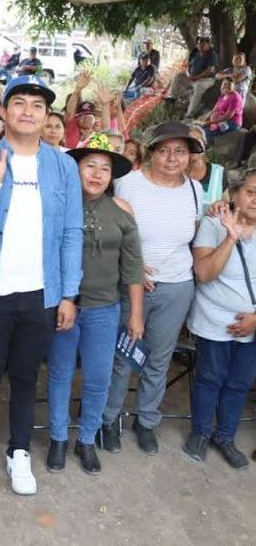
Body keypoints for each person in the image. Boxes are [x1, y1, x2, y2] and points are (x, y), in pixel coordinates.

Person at [0, 75, 83, 496]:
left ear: (47, 114)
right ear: (3, 110)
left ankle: (18, 451)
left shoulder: (63, 165)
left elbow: (71, 232)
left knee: (26, 376)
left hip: (41, 294)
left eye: (37, 104)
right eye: (19, 102)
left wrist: (69, 293)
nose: (28, 110)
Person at [101, 121, 204, 455]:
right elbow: (106, 228)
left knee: (158, 359)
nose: (172, 158)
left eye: (180, 151)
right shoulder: (127, 184)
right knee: (121, 355)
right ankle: (108, 419)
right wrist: (128, 267)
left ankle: (146, 421)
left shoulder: (195, 190)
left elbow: (196, 233)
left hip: (177, 286)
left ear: (190, 156)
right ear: (150, 153)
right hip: (130, 285)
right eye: (163, 150)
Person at [46, 135, 144, 475]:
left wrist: (136, 313)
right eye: (90, 166)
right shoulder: (59, 206)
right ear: (77, 168)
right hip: (64, 307)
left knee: (97, 378)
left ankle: (86, 438)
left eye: (105, 169)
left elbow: (132, 267)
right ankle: (58, 437)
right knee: (59, 373)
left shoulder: (121, 212)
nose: (97, 174)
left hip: (105, 309)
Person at [184, 171, 256, 468]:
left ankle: (225, 437)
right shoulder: (213, 225)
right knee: (209, 378)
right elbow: (204, 273)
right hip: (214, 320)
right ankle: (200, 433)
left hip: (252, 325)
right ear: (234, 194)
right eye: (251, 191)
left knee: (239, 383)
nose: (255, 199)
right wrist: (231, 236)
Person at [168, 36, 218, 119]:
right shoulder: (195, 52)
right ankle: (171, 98)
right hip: (192, 77)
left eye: (203, 44)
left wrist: (196, 78)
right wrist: (188, 74)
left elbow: (209, 71)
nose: (200, 46)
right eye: (198, 44)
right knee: (178, 76)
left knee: (198, 88)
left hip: (206, 80)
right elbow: (188, 66)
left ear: (208, 44)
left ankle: (189, 114)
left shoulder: (212, 54)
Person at [187, 125, 227, 205]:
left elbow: (226, 205)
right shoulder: (174, 174)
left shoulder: (218, 173)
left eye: (197, 141)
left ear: (204, 145)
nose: (193, 146)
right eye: (188, 142)